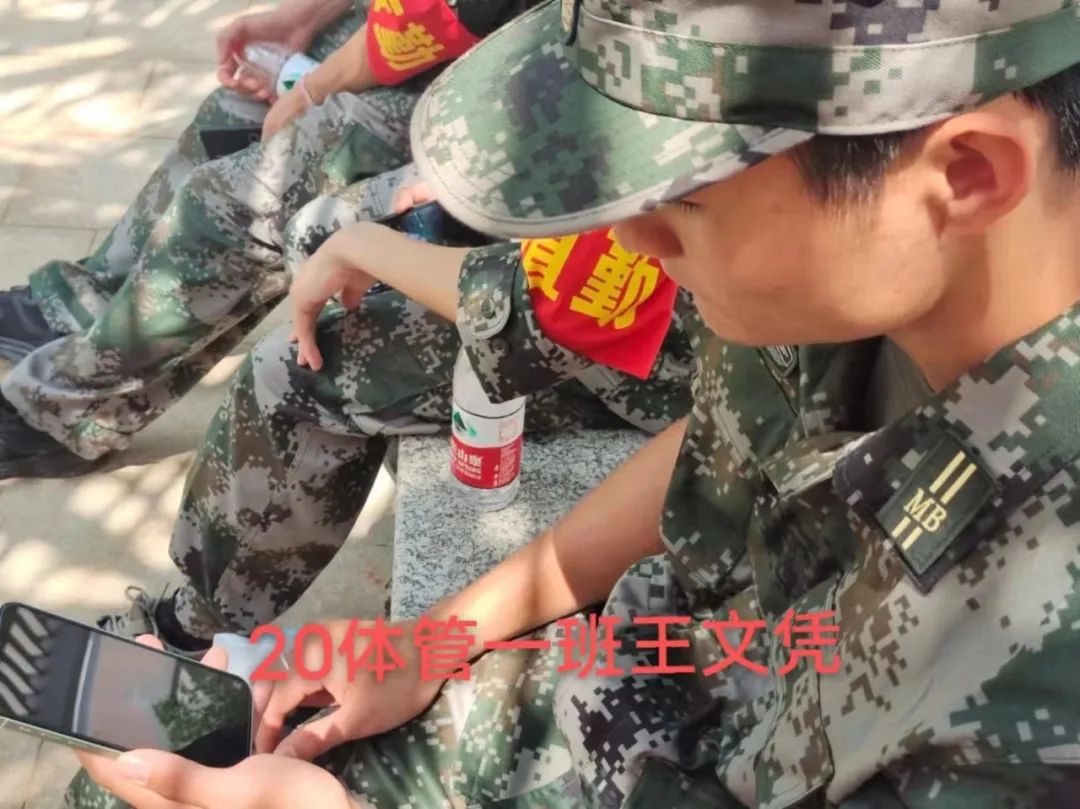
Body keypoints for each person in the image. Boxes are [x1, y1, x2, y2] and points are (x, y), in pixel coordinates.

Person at [73, 0, 1080, 807]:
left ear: (968, 174)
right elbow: (722, 442)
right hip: (654, 691)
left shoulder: (1039, 677)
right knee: (165, 762)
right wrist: (433, 638)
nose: (633, 241)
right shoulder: (847, 288)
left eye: (685, 201)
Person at [97, 175, 695, 650]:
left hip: (663, 341)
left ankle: (192, 633)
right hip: (597, 225)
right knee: (320, 232)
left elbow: (543, 308)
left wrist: (369, 248)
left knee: (295, 372)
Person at [0, 0, 538, 479]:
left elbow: (443, 14)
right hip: (481, 36)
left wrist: (312, 88)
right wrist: (301, 19)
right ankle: (89, 310)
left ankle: (67, 414)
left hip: (523, 90)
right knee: (236, 111)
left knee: (240, 198)